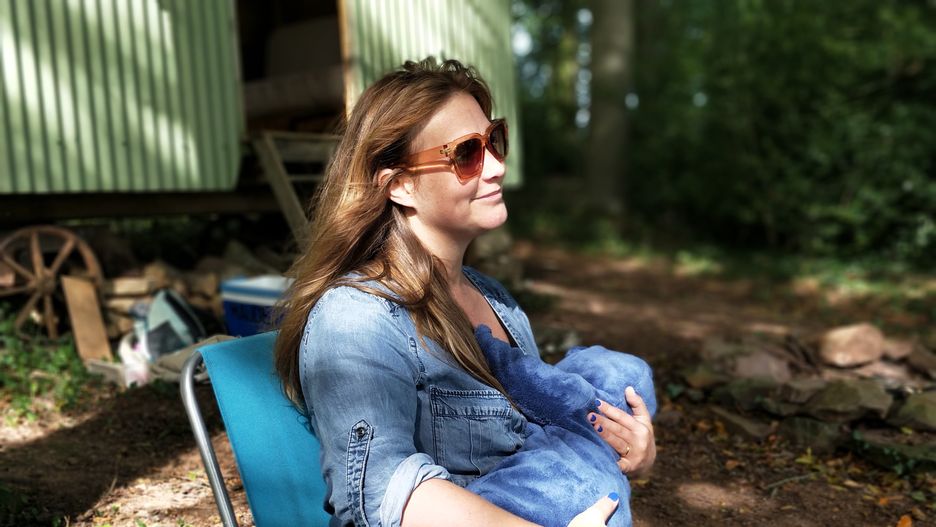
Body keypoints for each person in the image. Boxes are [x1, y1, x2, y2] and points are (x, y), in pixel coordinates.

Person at [274, 57, 656, 527]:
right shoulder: (356, 319)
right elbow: (382, 492)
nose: (496, 167)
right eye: (466, 154)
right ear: (400, 186)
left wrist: (627, 448)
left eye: (494, 140)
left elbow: (542, 436)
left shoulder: (495, 299)